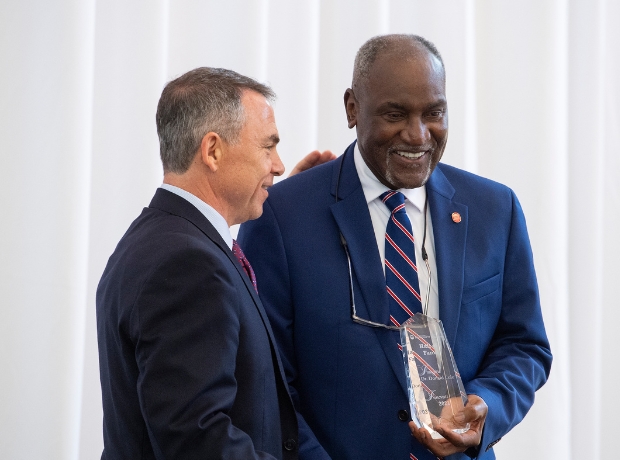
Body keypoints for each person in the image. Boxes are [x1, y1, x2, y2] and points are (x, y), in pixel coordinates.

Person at [238, 34, 552, 460]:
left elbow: (524, 345)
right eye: (395, 113)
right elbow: (267, 383)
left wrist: (487, 406)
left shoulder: (495, 209)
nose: (419, 134)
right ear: (352, 108)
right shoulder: (280, 217)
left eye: (434, 113)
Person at [97, 67, 309, 459]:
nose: (278, 165)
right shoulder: (188, 264)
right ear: (212, 150)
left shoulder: (155, 239)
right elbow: (197, 440)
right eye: (268, 147)